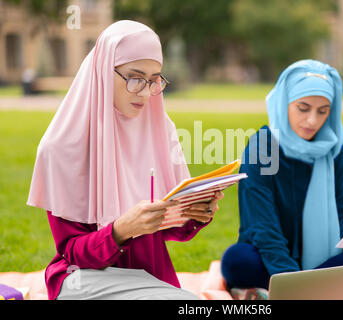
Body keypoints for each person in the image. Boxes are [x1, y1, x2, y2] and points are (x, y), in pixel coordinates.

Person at [27, 20, 223, 300]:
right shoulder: (60, 146)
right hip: (85, 280)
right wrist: (121, 230)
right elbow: (72, 252)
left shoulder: (159, 129)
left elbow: (167, 232)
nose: (145, 92)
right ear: (104, 71)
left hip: (149, 279)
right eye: (134, 77)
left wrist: (196, 214)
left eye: (154, 80)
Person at [220, 59, 343, 291]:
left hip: (328, 256)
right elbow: (263, 228)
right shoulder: (261, 147)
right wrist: (289, 277)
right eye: (303, 108)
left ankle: (306, 287)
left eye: (323, 111)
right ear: (285, 103)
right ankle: (319, 286)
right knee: (237, 261)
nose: (312, 120)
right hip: (270, 258)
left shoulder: (335, 149)